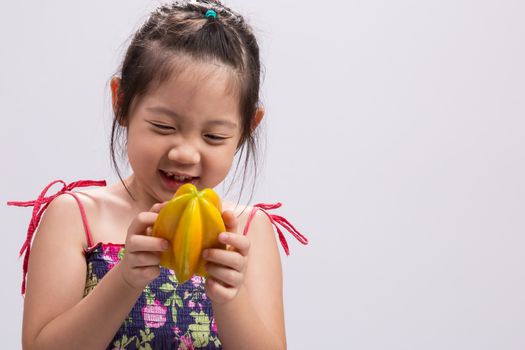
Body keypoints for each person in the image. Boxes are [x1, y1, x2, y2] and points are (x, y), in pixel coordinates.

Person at [8, 1, 308, 349]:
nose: (185, 153)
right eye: (163, 126)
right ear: (121, 103)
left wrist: (230, 297)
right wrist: (125, 279)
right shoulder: (73, 217)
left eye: (214, 136)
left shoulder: (249, 232)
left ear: (246, 131)